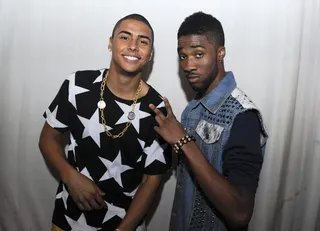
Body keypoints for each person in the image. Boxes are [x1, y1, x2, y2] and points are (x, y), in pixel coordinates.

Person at [39, 14, 171, 231]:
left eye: (143, 41)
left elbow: (151, 182)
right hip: (69, 216)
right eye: (125, 37)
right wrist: (69, 175)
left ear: (150, 55)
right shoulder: (77, 85)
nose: (133, 46)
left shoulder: (157, 110)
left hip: (126, 223)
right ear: (111, 43)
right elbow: (47, 137)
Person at [149, 12, 268, 231]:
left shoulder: (243, 116)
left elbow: (240, 212)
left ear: (220, 53)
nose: (188, 65)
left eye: (198, 54)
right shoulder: (193, 108)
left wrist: (183, 141)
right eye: (183, 56)